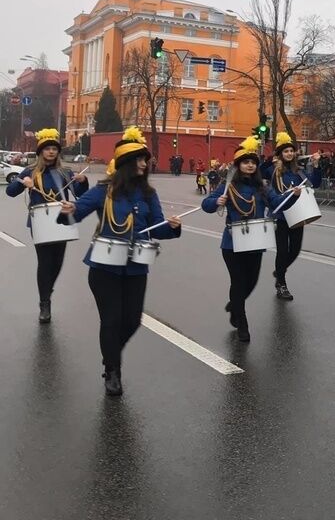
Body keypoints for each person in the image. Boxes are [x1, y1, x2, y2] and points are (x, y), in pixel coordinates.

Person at [58, 127, 181, 396]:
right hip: (104, 267)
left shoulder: (149, 194)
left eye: (144, 159)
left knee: (132, 320)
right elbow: (77, 214)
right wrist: (68, 211)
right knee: (111, 320)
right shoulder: (104, 190)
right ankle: (113, 370)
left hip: (136, 266)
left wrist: (172, 227)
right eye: (138, 159)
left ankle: (110, 353)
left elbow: (156, 228)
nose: (144, 163)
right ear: (126, 163)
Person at [202, 137, 282, 343]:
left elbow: (278, 203)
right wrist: (216, 201)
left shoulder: (262, 187)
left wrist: (295, 195)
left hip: (255, 242)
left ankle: (234, 305)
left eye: (253, 162)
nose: (250, 165)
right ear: (238, 166)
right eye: (245, 162)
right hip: (232, 243)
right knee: (238, 282)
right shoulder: (228, 185)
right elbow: (206, 204)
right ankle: (242, 324)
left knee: (252, 281)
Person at [6, 128, 89, 323]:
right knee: (45, 262)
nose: (51, 152)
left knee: (58, 262)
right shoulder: (30, 171)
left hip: (61, 218)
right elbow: (10, 192)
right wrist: (22, 183)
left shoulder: (65, 172)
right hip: (40, 221)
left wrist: (82, 181)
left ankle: (46, 289)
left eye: (54, 149)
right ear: (41, 152)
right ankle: (45, 303)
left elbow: (80, 195)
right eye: (47, 148)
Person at [262, 132, 321, 302]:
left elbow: (314, 183)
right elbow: (260, 172)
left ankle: (279, 271)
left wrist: (316, 166)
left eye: (291, 151)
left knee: (295, 250)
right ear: (280, 154)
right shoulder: (273, 170)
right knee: (282, 251)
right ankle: (281, 283)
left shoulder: (298, 171)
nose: (289, 153)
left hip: (297, 215)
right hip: (280, 216)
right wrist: (269, 160)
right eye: (286, 151)